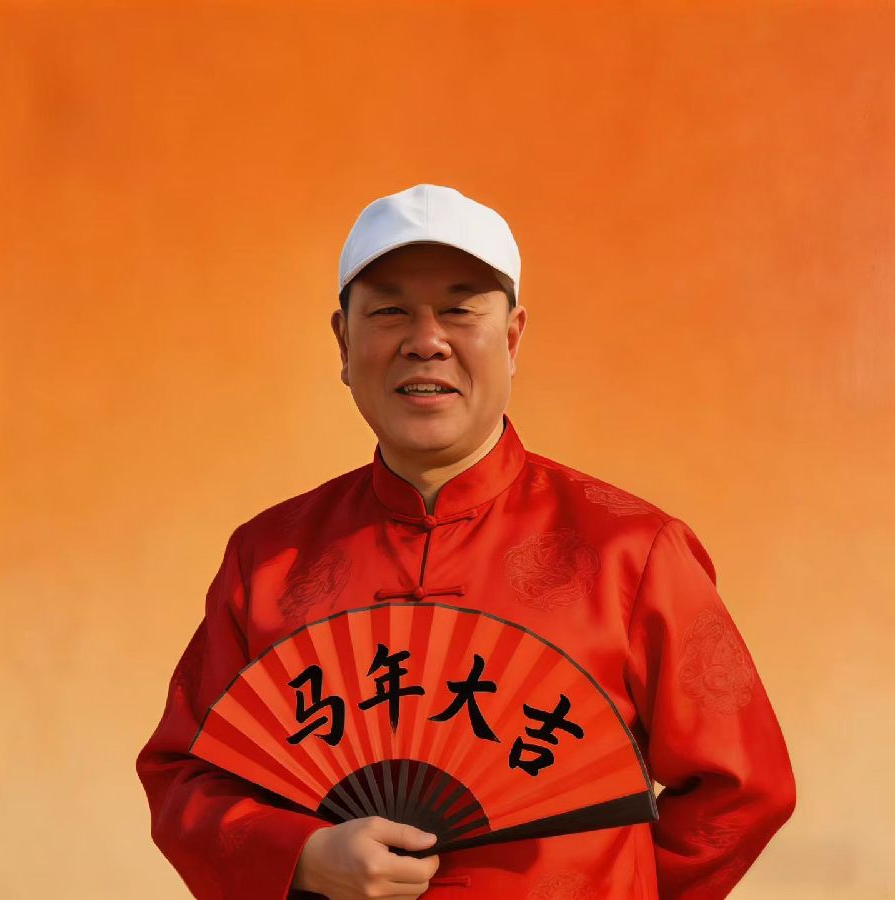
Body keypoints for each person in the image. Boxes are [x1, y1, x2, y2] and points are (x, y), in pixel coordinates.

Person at [136, 183, 796, 900]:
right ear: (344, 342)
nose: (426, 341)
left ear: (511, 339)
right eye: (390, 311)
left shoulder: (631, 552)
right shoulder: (269, 560)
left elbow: (743, 788)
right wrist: (302, 856)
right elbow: (185, 776)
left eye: (459, 310)